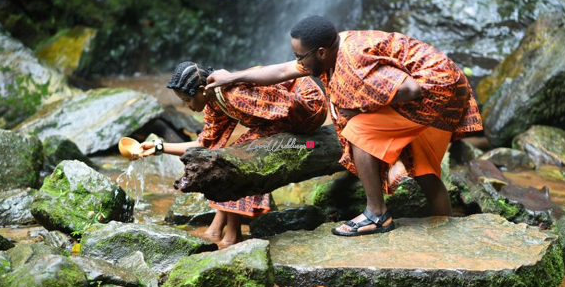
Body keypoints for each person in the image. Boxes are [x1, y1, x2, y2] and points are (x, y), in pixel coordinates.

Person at [205, 15, 483, 237]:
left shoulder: (353, 61)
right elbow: (281, 72)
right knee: (422, 166)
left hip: (433, 91)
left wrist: (357, 106)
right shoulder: (332, 50)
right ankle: (447, 230)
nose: (297, 61)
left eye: (300, 56)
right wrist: (233, 77)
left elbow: (409, 89)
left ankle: (377, 214)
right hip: (445, 83)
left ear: (321, 52)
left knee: (358, 130)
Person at [140, 61, 327, 246]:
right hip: (285, 114)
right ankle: (217, 228)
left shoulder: (236, 94)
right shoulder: (214, 102)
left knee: (240, 156)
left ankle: (232, 235)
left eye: (187, 99)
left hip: (309, 107)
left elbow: (286, 107)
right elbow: (203, 143)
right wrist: (159, 147)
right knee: (227, 152)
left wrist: (279, 141)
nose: (187, 105)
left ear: (203, 89)